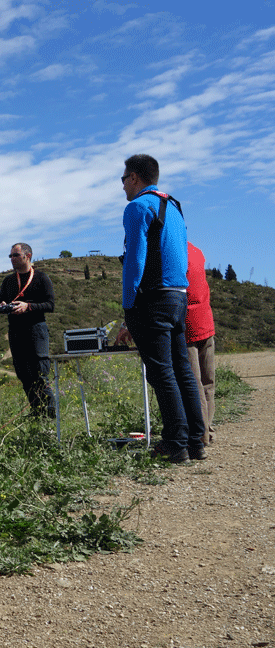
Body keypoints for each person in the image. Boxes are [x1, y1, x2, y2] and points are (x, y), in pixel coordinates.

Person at [120, 154, 206, 463]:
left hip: (152, 299)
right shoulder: (173, 206)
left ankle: (174, 443)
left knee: (161, 372)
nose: (122, 186)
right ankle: (195, 441)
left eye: (123, 179)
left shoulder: (137, 207)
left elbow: (135, 260)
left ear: (134, 178)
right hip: (178, 296)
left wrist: (128, 306)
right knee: (182, 369)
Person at [0, 243, 56, 419]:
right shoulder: (8, 281)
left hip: (36, 330)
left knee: (40, 373)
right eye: (10, 256)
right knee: (23, 374)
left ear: (27, 256)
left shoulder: (41, 277)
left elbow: (50, 305)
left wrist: (28, 307)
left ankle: (51, 415)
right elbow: (1, 301)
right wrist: (2, 306)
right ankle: (37, 413)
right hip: (16, 331)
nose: (12, 259)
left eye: (15, 255)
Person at [185, 241, 216, 446]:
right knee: (208, 383)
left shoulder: (172, 252)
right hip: (206, 321)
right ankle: (209, 430)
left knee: (194, 384)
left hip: (187, 326)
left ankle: (200, 435)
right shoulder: (196, 251)